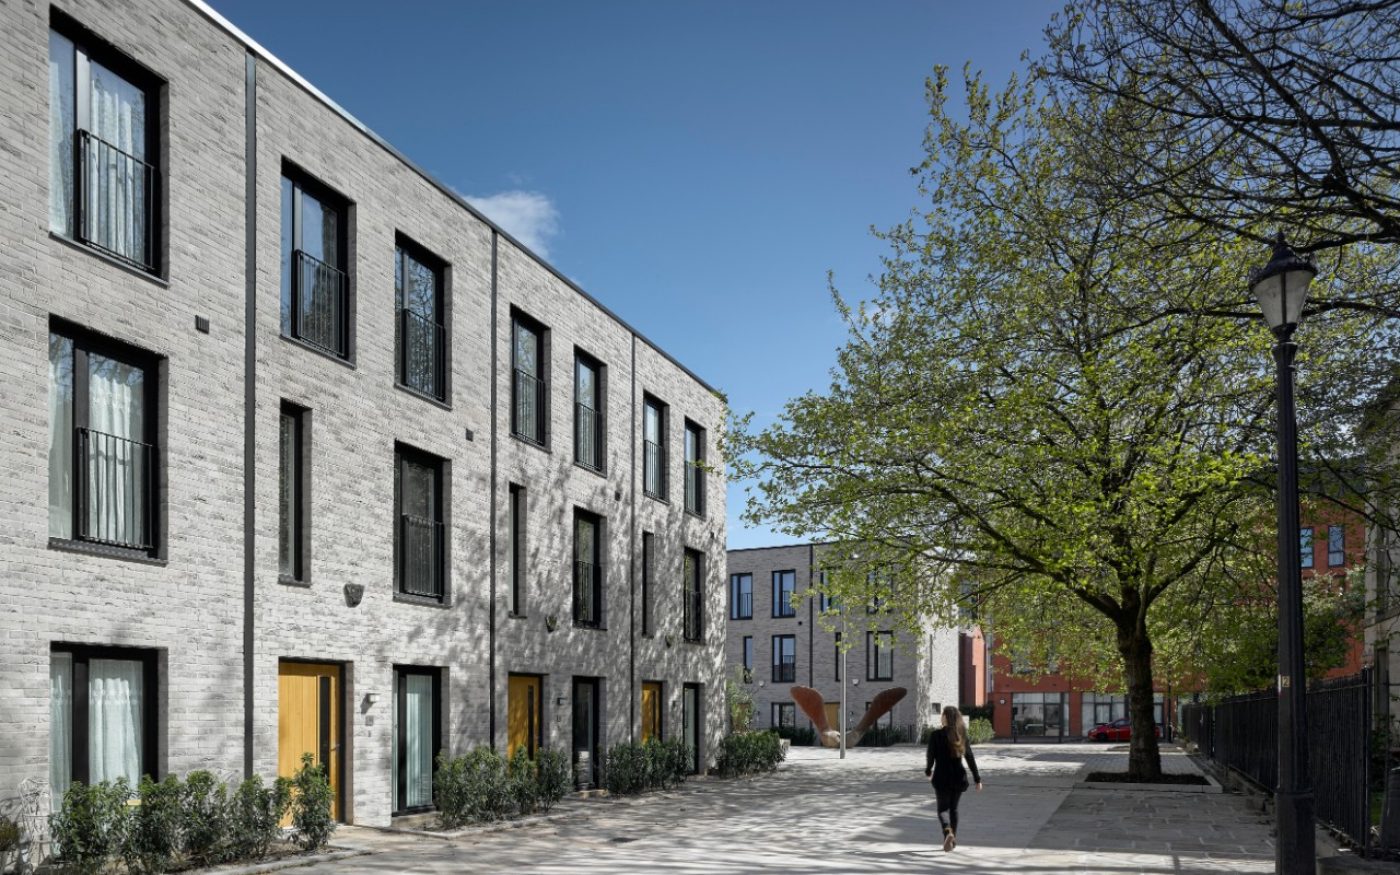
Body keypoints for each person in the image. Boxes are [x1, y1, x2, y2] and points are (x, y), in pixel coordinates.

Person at [924, 705, 982, 852]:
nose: (940, 717)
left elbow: (930, 756)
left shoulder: (936, 735)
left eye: (942, 714)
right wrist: (977, 779)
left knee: (942, 810)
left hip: (941, 777)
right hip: (958, 777)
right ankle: (952, 840)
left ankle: (947, 832)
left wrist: (928, 770)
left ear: (945, 717)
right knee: (954, 809)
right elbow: (970, 757)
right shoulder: (961, 735)